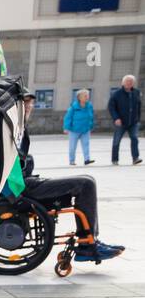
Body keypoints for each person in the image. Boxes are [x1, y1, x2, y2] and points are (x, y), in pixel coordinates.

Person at [18, 91, 123, 263]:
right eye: (25, 104)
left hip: (27, 182)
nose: (29, 107)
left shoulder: (18, 128)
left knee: (87, 180)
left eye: (30, 104)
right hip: (24, 186)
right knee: (85, 184)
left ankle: (89, 241)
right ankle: (87, 245)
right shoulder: (11, 130)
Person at [108, 74, 140, 166]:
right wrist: (116, 118)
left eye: (131, 82)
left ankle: (135, 158)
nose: (129, 83)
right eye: (127, 81)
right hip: (120, 122)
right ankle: (115, 159)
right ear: (123, 83)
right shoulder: (116, 93)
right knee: (116, 141)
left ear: (133, 83)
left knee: (134, 139)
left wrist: (137, 118)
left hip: (133, 122)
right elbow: (111, 107)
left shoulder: (136, 92)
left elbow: (139, 106)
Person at [63, 88, 95, 165]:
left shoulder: (89, 106)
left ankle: (87, 160)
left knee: (86, 145)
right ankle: (72, 160)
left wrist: (90, 127)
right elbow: (68, 117)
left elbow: (91, 117)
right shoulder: (74, 107)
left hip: (85, 130)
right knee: (72, 147)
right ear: (79, 97)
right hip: (74, 130)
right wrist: (66, 128)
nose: (87, 97)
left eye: (87, 95)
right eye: (85, 96)